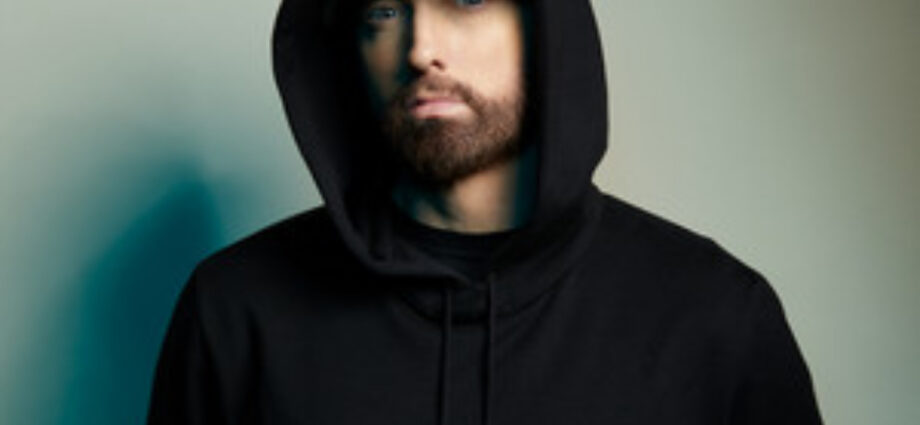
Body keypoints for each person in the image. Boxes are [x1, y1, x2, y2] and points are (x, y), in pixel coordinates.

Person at [147, 0, 824, 424]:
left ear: (544, 25)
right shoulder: (237, 310)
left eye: (467, 0)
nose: (420, 47)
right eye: (384, 10)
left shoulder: (713, 315)